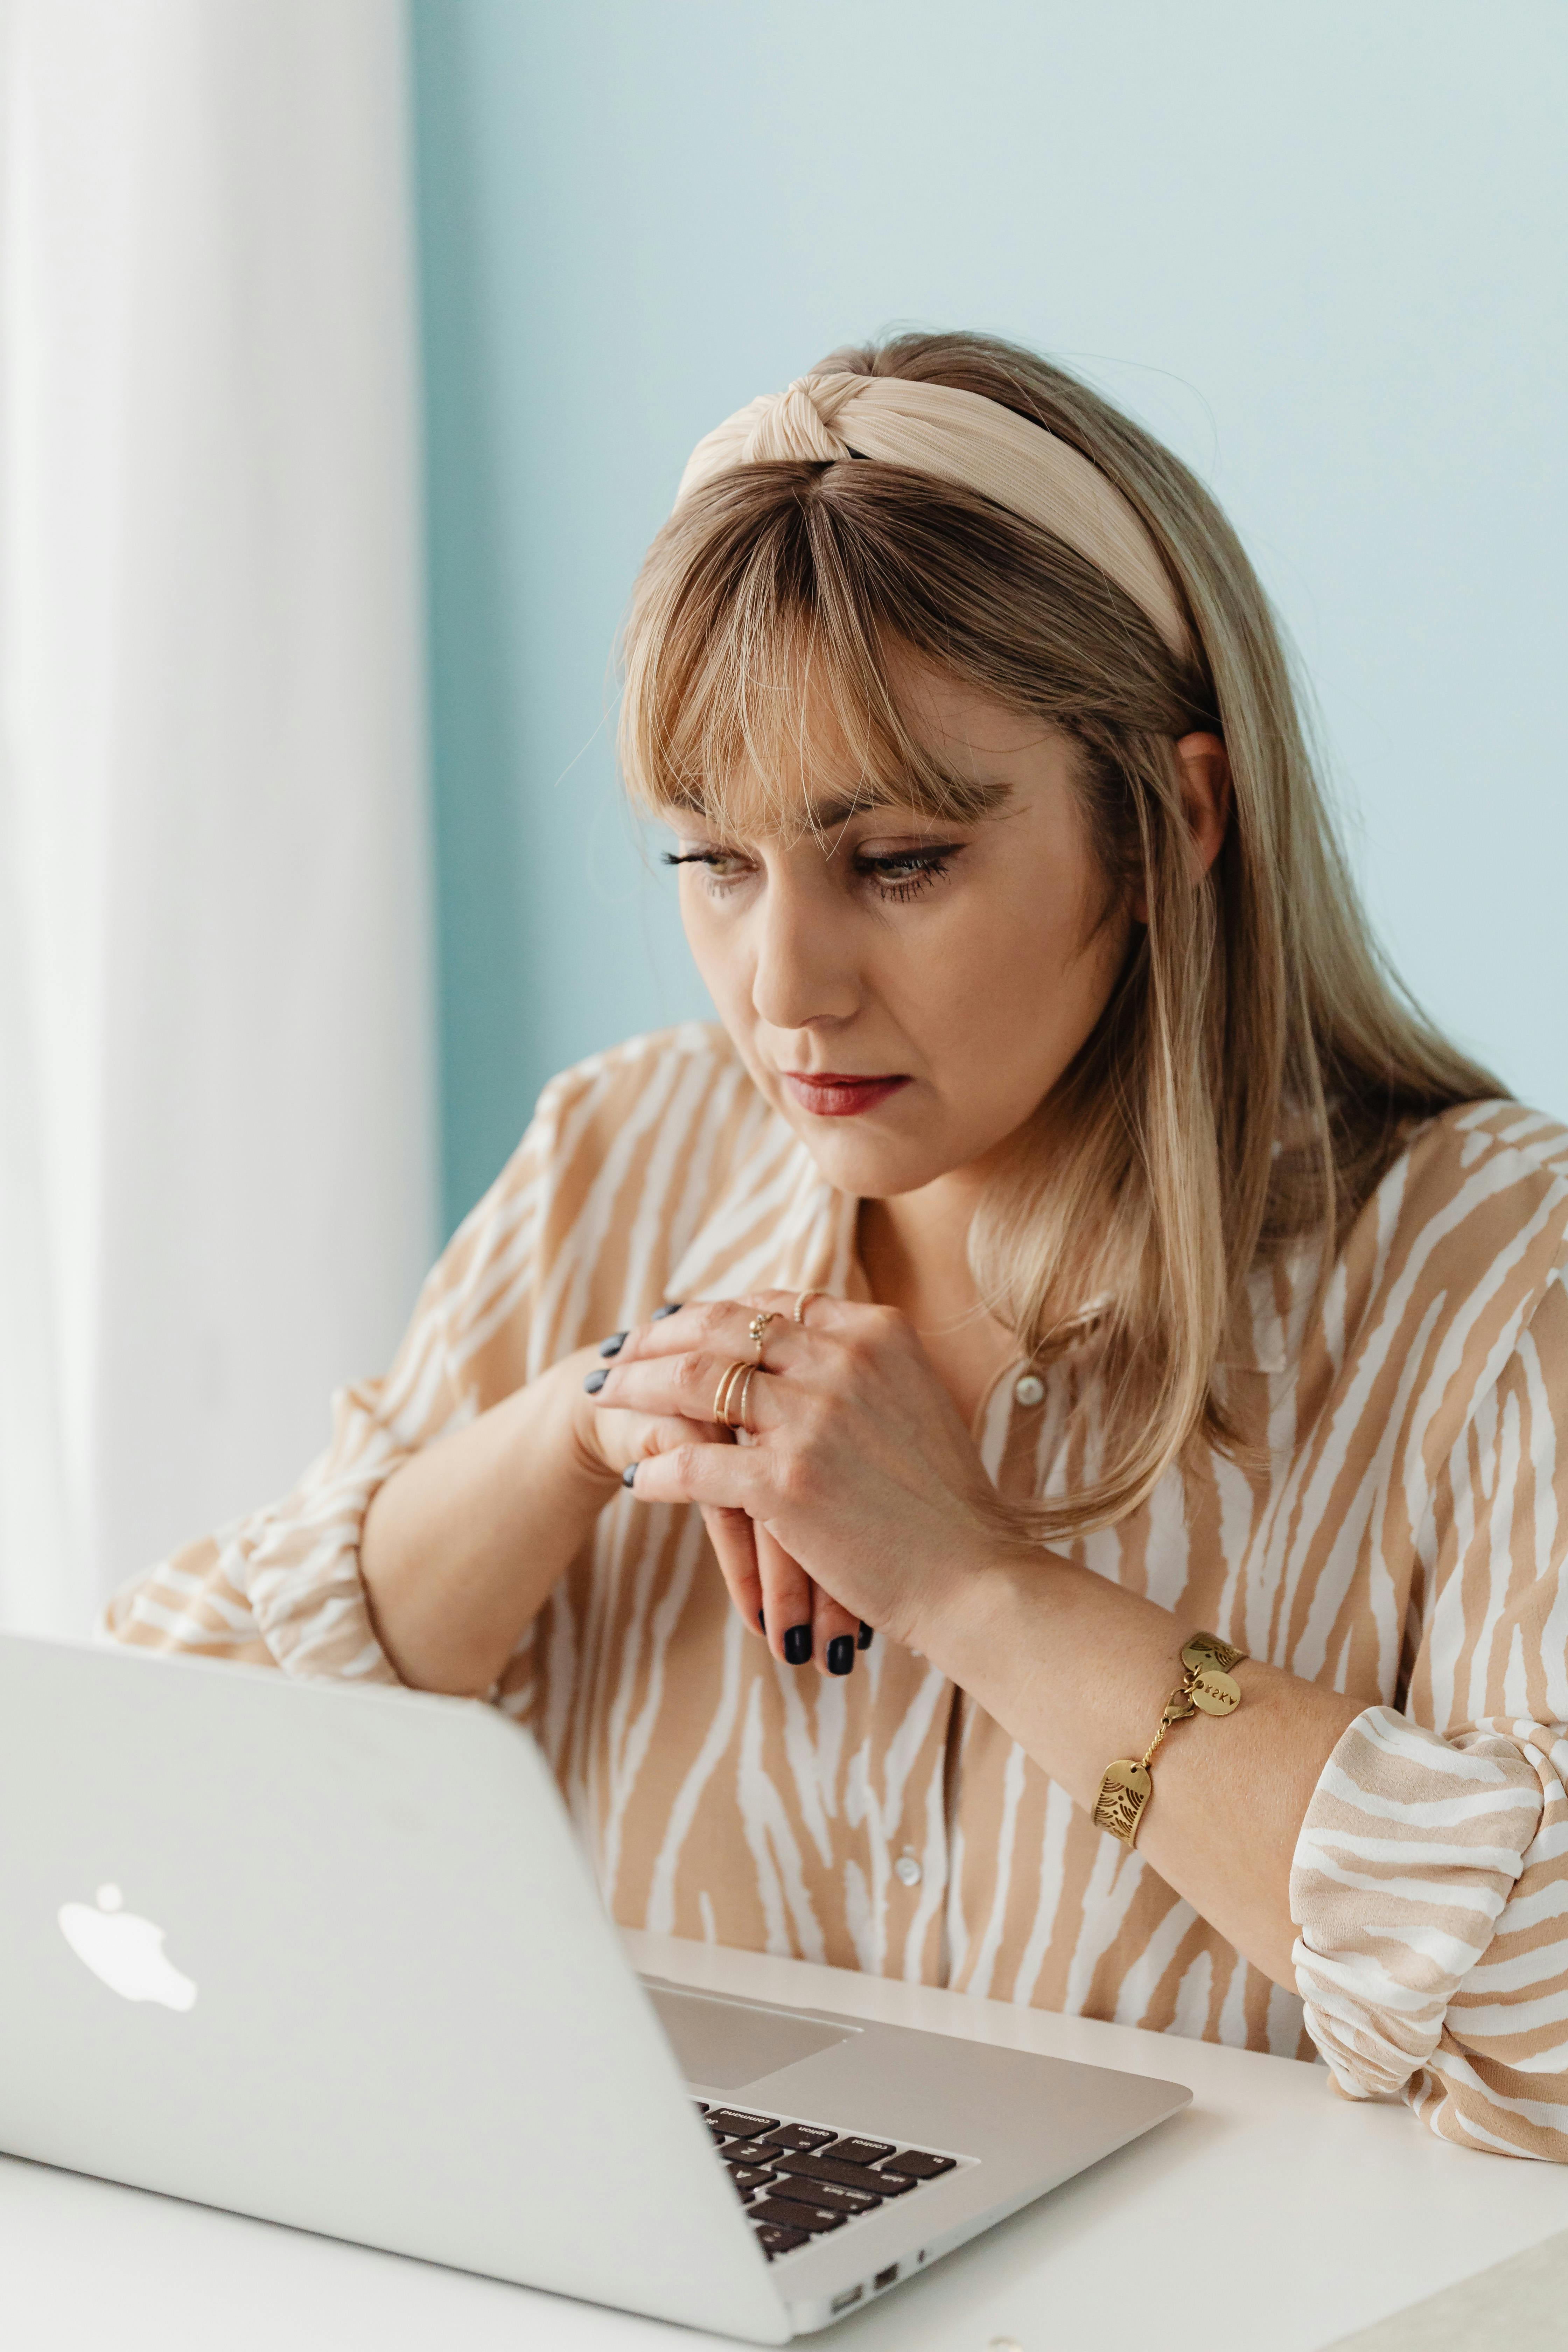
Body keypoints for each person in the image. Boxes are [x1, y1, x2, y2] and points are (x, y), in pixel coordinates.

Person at [111, 332, 1568, 2162]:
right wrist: (581, 1424)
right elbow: (145, 1808)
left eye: (895, 861)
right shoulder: (617, 1160)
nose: (782, 991)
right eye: (711, 865)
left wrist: (978, 1587)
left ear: (1171, 821)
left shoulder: (1496, 1271)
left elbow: (1552, 2023)